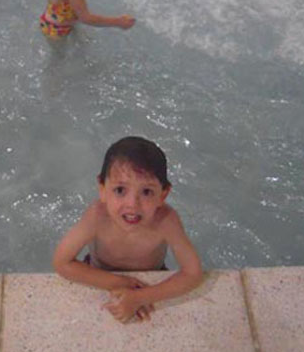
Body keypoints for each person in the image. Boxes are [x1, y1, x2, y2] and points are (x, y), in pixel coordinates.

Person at [53, 136, 203, 323]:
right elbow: (62, 262)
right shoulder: (97, 217)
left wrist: (141, 297)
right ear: (102, 189)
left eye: (146, 192)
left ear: (163, 195)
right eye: (120, 190)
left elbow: (192, 273)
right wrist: (119, 283)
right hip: (99, 270)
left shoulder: (166, 221)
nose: (132, 204)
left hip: (152, 275)